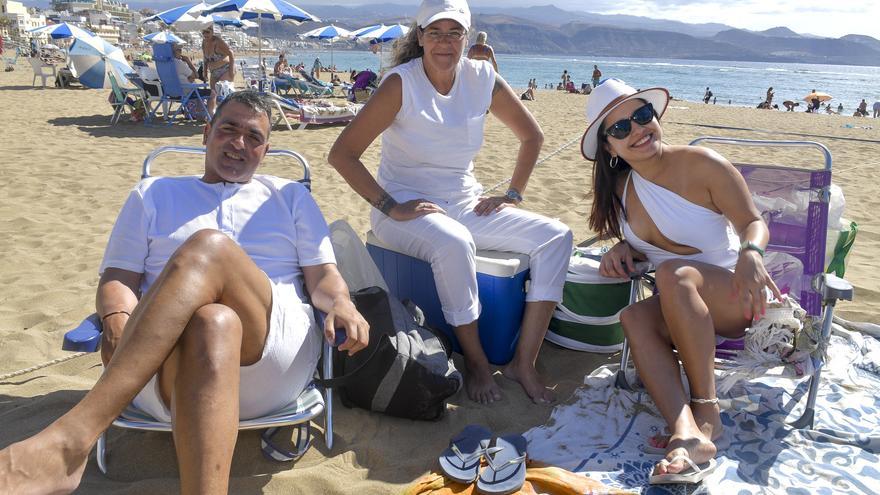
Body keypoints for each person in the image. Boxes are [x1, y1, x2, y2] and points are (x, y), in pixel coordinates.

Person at [0, 91, 370, 495]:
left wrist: (342, 304)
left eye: (254, 137)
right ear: (206, 133)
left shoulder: (290, 196)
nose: (239, 143)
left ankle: (72, 439)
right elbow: (118, 279)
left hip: (270, 360)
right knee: (213, 321)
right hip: (161, 368)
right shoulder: (154, 193)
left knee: (209, 247)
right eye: (228, 129)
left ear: (265, 150)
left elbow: (323, 279)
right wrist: (117, 320)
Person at [328, 0, 572, 405]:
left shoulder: (482, 77)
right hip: (406, 208)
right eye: (435, 33)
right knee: (453, 242)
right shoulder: (400, 84)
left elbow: (533, 137)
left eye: (454, 33)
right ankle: (477, 362)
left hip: (465, 201)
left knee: (557, 236)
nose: (445, 42)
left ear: (466, 36)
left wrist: (512, 194)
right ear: (420, 37)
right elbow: (343, 154)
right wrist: (390, 205)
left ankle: (522, 363)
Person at [580, 79, 780, 484]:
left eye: (641, 116)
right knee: (634, 317)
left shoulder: (702, 164)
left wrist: (751, 253)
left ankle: (708, 413)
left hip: (735, 299)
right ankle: (685, 428)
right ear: (608, 147)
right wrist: (623, 247)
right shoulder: (619, 190)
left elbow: (752, 222)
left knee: (672, 273)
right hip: (681, 310)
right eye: (620, 128)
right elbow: (653, 245)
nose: (637, 130)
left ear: (655, 117)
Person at [201, 25, 235, 115]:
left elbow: (231, 54)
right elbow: (205, 59)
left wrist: (231, 71)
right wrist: (204, 73)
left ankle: (225, 114)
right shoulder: (204, 43)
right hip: (213, 72)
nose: (205, 34)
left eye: (207, 32)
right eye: (203, 32)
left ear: (212, 32)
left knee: (221, 92)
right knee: (213, 94)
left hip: (226, 70)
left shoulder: (218, 42)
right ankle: (211, 116)